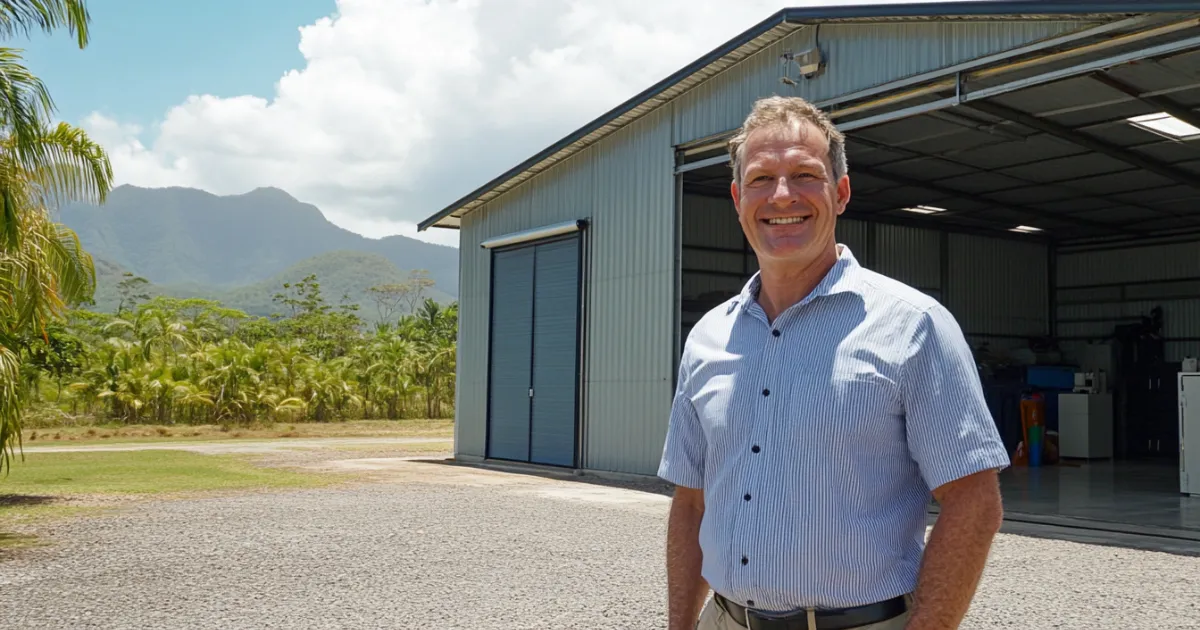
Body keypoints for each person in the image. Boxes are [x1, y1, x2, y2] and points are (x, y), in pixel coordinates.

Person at [658, 95, 1011, 630]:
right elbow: (691, 504)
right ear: (737, 198)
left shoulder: (914, 326)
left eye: (804, 174)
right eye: (760, 179)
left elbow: (973, 500)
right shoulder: (707, 337)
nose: (781, 195)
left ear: (840, 192)